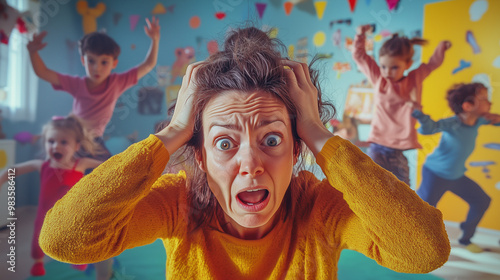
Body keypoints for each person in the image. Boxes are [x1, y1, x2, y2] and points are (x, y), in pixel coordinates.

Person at [39, 27, 450, 279]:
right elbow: (64, 240)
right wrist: (175, 132)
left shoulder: (319, 209)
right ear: (198, 155)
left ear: (296, 151)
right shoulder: (178, 204)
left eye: (273, 140)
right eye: (224, 143)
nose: (250, 164)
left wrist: (319, 137)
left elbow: (424, 251)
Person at [26, 17, 161, 160]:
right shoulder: (77, 84)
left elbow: (148, 65)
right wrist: (32, 53)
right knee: (67, 172)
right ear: (83, 60)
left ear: (114, 63)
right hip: (72, 138)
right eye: (91, 61)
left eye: (104, 62)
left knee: (107, 171)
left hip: (94, 140)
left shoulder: (117, 82)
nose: (97, 68)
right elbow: (44, 73)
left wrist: (155, 40)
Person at [0, 115, 102, 276]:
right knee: (38, 238)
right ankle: (38, 263)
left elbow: (111, 166)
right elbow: (12, 170)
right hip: (45, 214)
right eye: (51, 141)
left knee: (78, 236)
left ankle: (80, 259)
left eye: (63, 142)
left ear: (76, 146)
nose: (56, 146)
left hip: (73, 214)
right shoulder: (42, 165)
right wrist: (1, 179)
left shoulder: (81, 164)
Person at [352, 24, 451, 185]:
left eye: (394, 67)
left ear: (408, 64)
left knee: (404, 189)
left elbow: (432, 64)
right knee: (370, 185)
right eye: (383, 66)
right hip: (377, 146)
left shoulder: (414, 79)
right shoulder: (379, 79)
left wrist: (442, 48)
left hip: (399, 151)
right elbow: (360, 57)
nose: (387, 72)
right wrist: (360, 35)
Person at [412, 82, 500, 253]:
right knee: (423, 209)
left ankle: (466, 237)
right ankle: (414, 241)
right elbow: (429, 128)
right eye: (484, 99)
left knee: (482, 200)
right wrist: (422, 118)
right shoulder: (453, 123)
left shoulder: (478, 120)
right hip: (435, 174)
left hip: (456, 176)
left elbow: (495, 121)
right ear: (468, 106)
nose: (489, 102)